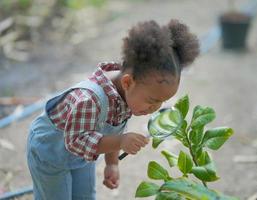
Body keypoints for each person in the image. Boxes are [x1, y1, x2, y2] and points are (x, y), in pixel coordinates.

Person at [27, 19, 200, 199]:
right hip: (50, 152)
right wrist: (120, 142)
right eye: (152, 100)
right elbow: (76, 141)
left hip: (82, 155)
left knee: (85, 195)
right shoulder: (89, 100)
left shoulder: (127, 95)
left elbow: (113, 127)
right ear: (127, 82)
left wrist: (112, 164)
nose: (154, 109)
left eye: (161, 103)